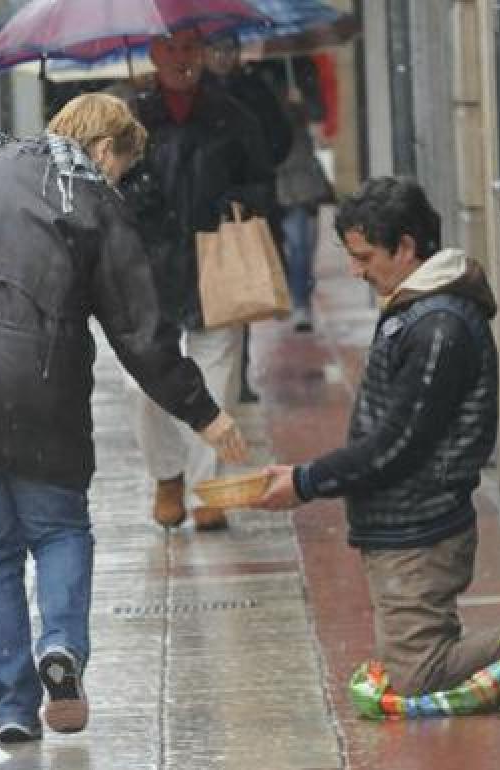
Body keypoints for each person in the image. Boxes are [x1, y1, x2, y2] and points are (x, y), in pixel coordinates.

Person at [0, 93, 249, 743]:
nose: (119, 179)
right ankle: (59, 646)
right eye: (123, 164)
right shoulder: (89, 199)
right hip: (39, 387)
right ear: (104, 148)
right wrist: (205, 415)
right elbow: (140, 332)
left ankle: (10, 705)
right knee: (58, 531)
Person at [252, 177, 500, 705]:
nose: (356, 271)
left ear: (405, 247)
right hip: (402, 520)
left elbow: (399, 442)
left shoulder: (439, 325)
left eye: (364, 257)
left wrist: (305, 480)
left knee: (419, 677)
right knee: (416, 666)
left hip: (418, 527)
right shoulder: (418, 311)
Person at [116, 28, 276, 531]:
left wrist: (234, 200)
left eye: (191, 49)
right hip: (146, 270)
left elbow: (264, 184)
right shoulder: (129, 119)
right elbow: (100, 181)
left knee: (217, 381)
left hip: (216, 264)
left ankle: (210, 487)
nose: (182, 59)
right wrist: (132, 190)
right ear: (154, 53)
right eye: (172, 49)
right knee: (140, 386)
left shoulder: (232, 115)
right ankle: (167, 475)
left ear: (205, 54)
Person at [202, 31, 293, 403]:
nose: (223, 57)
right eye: (216, 49)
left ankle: (235, 375)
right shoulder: (194, 96)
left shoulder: (253, 91)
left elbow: (278, 140)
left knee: (238, 299)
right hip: (201, 211)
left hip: (242, 210)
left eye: (229, 49)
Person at [274, 89, 334, 332]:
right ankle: (298, 302)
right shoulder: (261, 86)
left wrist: (301, 102)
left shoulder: (299, 73)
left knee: (304, 250)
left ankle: (300, 300)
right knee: (295, 249)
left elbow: (319, 113)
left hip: (305, 190)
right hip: (283, 191)